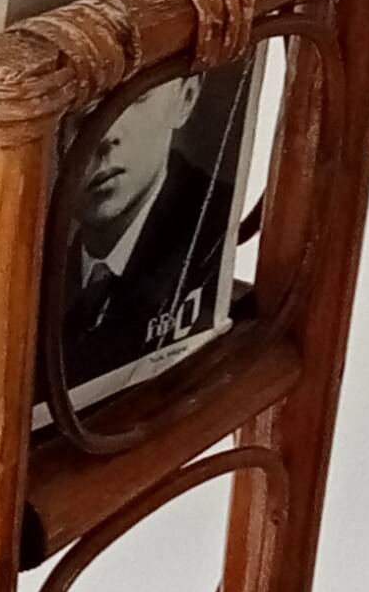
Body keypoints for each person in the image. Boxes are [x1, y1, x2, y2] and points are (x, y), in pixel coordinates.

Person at [55, 64, 249, 402]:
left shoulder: (214, 224)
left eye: (135, 96)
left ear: (186, 98)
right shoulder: (42, 275)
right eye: (78, 109)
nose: (105, 134)